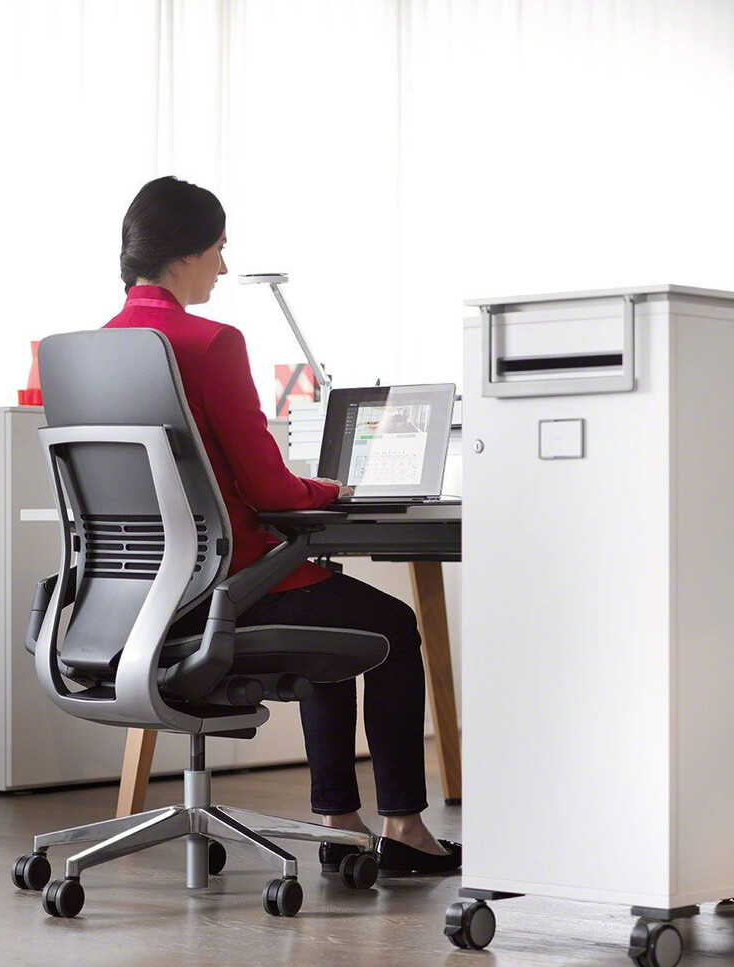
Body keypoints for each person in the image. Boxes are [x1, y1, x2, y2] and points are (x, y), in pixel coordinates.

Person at [104, 175, 460, 878]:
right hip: (231, 590)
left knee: (332, 601)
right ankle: (403, 826)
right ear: (184, 252)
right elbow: (267, 485)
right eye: (218, 248)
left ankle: (339, 819)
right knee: (388, 625)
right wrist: (332, 488)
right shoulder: (209, 343)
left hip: (139, 599)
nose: (224, 266)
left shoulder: (88, 349)